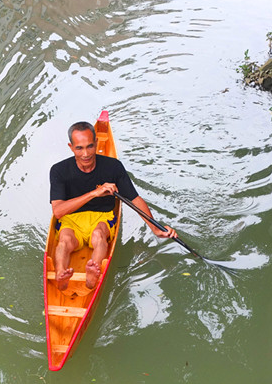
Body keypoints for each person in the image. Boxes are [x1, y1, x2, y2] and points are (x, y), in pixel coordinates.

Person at [49, 121, 177, 291]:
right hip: (71, 219)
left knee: (99, 236)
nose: (86, 154)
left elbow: (134, 199)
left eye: (90, 146)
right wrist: (94, 193)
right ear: (71, 147)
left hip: (102, 216)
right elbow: (58, 211)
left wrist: (155, 228)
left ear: (97, 143)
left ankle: (92, 274)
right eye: (79, 148)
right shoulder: (58, 170)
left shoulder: (113, 167)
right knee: (64, 241)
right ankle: (61, 275)